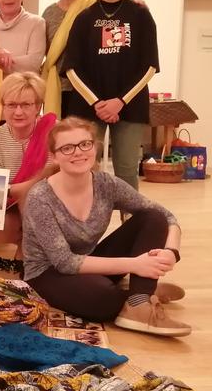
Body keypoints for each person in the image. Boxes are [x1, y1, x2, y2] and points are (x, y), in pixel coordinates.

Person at [23, 117, 190, 337]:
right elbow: (65, 262)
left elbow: (167, 216)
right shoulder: (40, 197)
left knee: (152, 217)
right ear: (54, 156)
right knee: (102, 300)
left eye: (85, 144)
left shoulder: (107, 184)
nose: (78, 152)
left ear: (95, 146)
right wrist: (136, 265)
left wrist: (171, 251)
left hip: (87, 263)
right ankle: (141, 293)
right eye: (67, 148)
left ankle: (139, 301)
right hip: (47, 273)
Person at [61, 0, 159, 190]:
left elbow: (150, 66)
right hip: (88, 106)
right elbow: (71, 68)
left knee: (127, 171)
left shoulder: (141, 14)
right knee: (84, 169)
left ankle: (131, 225)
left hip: (130, 106)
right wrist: (97, 103)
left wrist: (120, 101)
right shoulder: (84, 18)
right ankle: (86, 224)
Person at [0, 72, 57, 258]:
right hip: (13, 206)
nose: (18, 112)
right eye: (11, 105)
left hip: (53, 205)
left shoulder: (55, 133)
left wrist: (22, 189)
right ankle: (26, 251)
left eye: (26, 105)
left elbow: (54, 178)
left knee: (35, 197)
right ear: (3, 107)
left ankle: (33, 257)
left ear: (38, 107)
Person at [40, 0, 97, 118]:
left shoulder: (95, 6)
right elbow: (47, 52)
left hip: (88, 88)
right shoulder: (49, 13)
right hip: (58, 88)